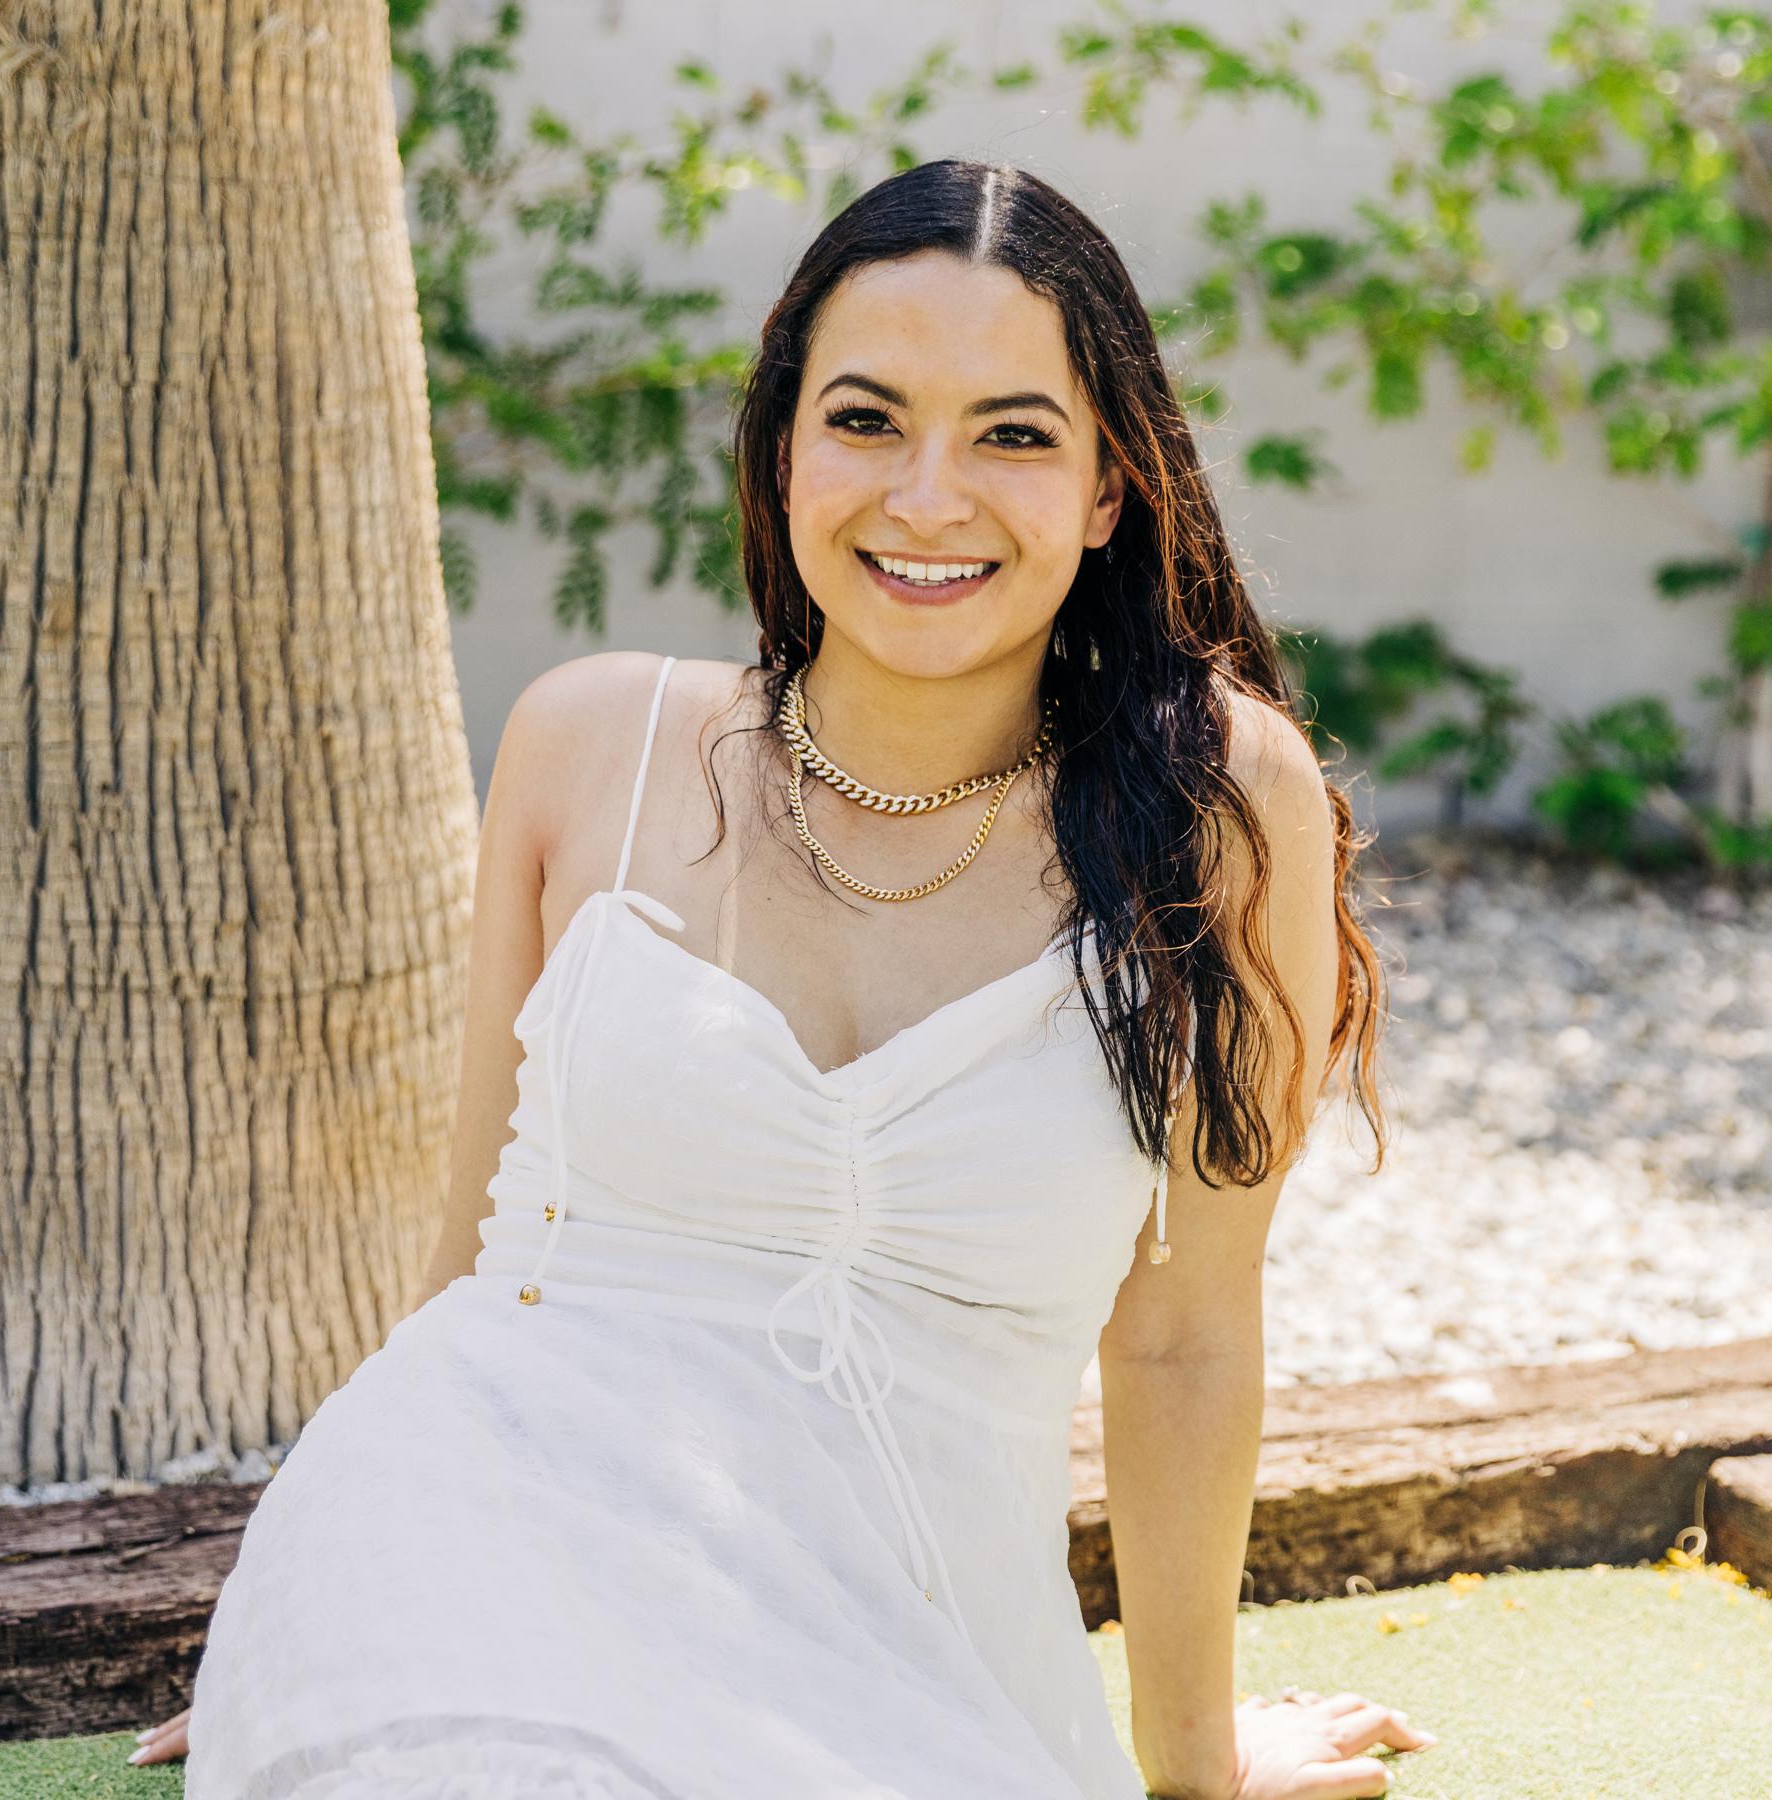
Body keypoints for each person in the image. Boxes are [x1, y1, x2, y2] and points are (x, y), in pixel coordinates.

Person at [133, 157, 1437, 1798]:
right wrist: (346, 1636)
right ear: (781, 448)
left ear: (1112, 489)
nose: (928, 497)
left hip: (905, 1655)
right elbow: (471, 1278)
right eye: (867, 420)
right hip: (468, 1537)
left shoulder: (1223, 810)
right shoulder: (588, 743)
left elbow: (1185, 1337)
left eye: (1014, 435)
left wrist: (1191, 1767)